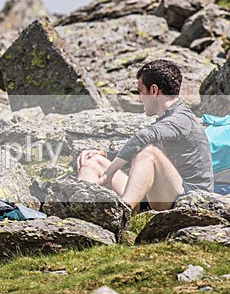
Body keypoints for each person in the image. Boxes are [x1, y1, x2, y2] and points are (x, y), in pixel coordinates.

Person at [77, 59, 213, 212]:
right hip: (155, 196)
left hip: (188, 199)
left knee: (149, 152)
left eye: (140, 92)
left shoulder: (182, 118)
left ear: (154, 90)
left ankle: (123, 212)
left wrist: (109, 174)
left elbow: (143, 137)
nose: (139, 98)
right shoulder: (166, 120)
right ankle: (83, 213)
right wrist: (104, 154)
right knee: (94, 162)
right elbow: (137, 157)